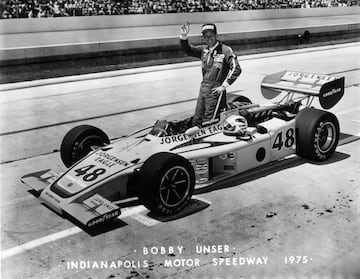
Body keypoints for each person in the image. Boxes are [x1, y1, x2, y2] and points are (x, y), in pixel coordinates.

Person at [180, 21, 241, 127]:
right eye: (205, 36)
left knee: (209, 122)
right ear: (202, 37)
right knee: (197, 120)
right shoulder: (204, 50)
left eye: (211, 35)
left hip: (215, 90)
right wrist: (183, 36)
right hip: (203, 88)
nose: (209, 38)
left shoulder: (225, 50)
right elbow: (188, 50)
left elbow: (236, 68)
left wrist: (224, 86)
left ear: (216, 35)